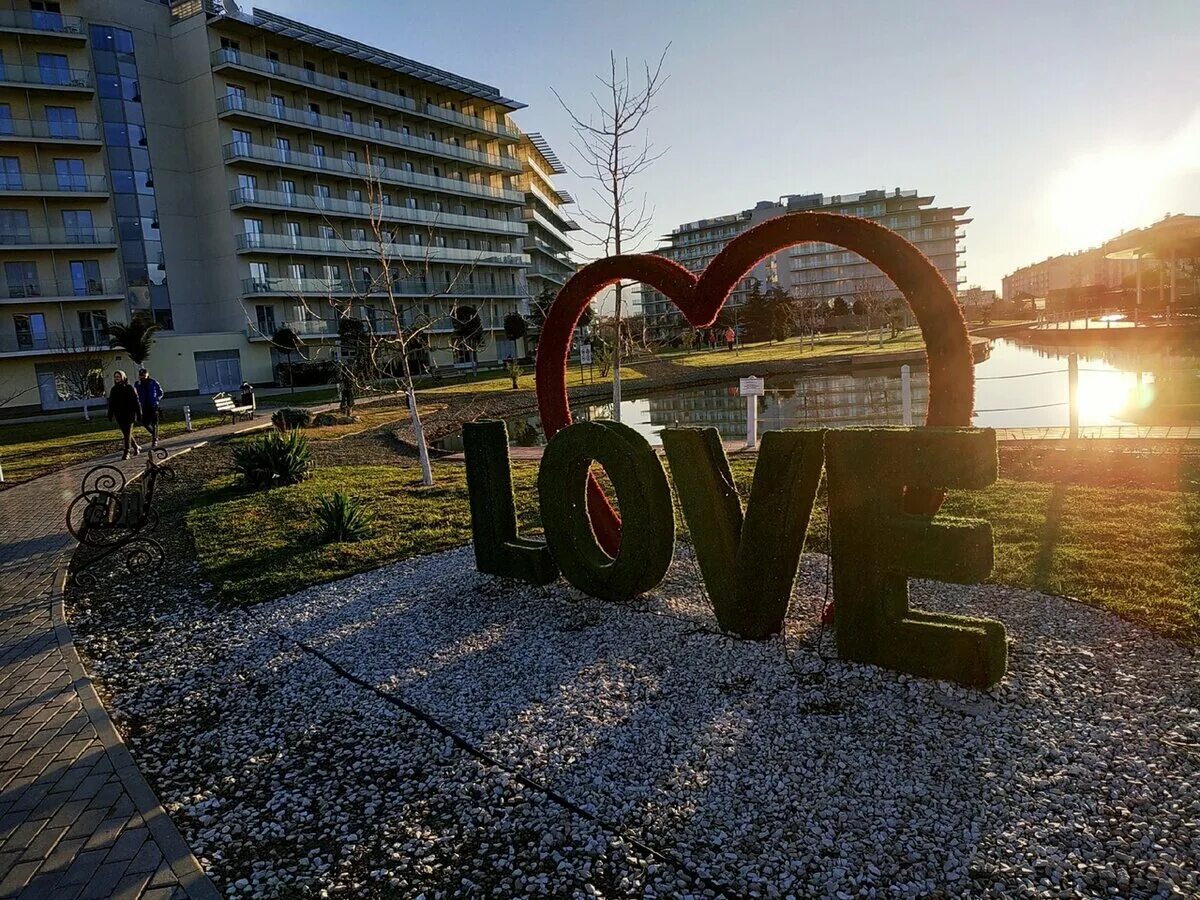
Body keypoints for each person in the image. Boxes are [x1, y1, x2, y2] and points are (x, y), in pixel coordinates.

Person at [107, 371, 141, 460]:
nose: (117, 378)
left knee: (127, 434)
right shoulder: (114, 389)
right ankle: (136, 447)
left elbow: (136, 402)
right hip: (119, 415)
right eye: (115, 377)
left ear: (123, 377)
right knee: (126, 433)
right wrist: (110, 414)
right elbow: (111, 403)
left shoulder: (129, 388)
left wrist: (139, 413)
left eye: (118, 376)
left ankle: (126, 452)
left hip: (129, 414)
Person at [135, 367, 163, 446]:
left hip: (153, 405)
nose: (142, 377)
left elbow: (160, 392)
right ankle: (153, 433)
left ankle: (155, 439)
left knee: (154, 423)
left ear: (147, 374)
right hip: (143, 406)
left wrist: (156, 400)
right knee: (144, 422)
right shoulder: (138, 384)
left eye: (144, 375)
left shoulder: (153, 382)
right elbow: (135, 394)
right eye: (141, 375)